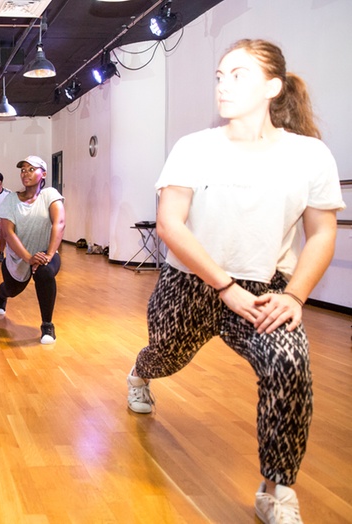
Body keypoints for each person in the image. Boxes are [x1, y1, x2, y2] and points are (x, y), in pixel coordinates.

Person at [124, 39, 344, 524]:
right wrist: (224, 286)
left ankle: (277, 490)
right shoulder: (194, 147)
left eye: (238, 75)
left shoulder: (309, 155)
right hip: (190, 285)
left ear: (273, 86)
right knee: (163, 355)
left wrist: (296, 295)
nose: (223, 85)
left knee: (289, 365)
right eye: (220, 76)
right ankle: (138, 374)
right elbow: (170, 224)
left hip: (266, 291)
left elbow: (323, 232)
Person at [0, 156, 65, 345]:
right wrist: (28, 258)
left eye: (31, 169)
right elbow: (7, 232)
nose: (26, 173)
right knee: (12, 289)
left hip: (44, 254)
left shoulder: (50, 195)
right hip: (18, 258)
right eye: (23, 169)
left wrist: (48, 254)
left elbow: (59, 223)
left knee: (45, 273)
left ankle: (47, 326)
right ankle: (0, 297)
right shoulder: (11, 200)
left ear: (44, 174)